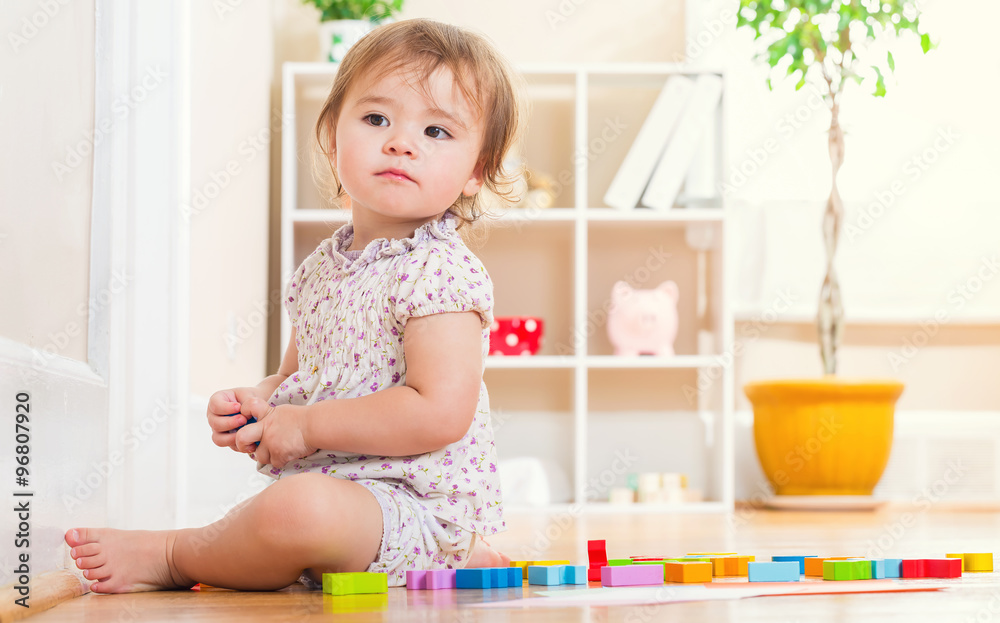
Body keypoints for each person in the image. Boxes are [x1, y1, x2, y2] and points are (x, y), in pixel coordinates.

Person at [65, 17, 525, 593]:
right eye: (377, 118)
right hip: (341, 492)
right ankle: (438, 560)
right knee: (295, 507)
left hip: (411, 505)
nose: (401, 142)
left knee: (297, 510)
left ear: (476, 171)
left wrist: (307, 427)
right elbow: (296, 375)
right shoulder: (320, 270)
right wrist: (257, 402)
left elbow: (438, 411)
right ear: (333, 139)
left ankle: (176, 555)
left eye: (437, 132)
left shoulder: (440, 272)